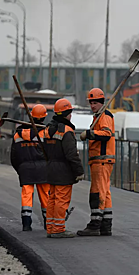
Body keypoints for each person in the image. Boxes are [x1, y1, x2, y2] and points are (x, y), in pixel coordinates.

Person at [43, 98, 85, 238]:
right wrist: (79, 171)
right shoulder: (66, 131)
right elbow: (71, 154)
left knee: (52, 199)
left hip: (51, 168)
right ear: (67, 113)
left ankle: (50, 227)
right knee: (61, 200)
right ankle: (58, 229)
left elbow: (45, 149)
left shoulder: (48, 129)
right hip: (63, 171)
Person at [77, 88, 115, 237]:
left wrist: (89, 133)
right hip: (102, 160)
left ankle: (95, 224)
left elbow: (106, 134)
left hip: (102, 159)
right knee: (105, 193)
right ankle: (106, 225)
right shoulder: (99, 116)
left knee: (97, 192)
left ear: (101, 102)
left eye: (95, 103)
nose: (92, 106)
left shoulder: (104, 116)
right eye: (91, 103)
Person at [10, 104, 50, 231]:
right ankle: (47, 223)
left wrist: (20, 169)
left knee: (26, 195)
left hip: (25, 169)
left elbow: (13, 156)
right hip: (43, 169)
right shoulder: (45, 133)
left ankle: (26, 223)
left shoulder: (18, 135)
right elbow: (51, 153)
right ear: (44, 118)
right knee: (46, 196)